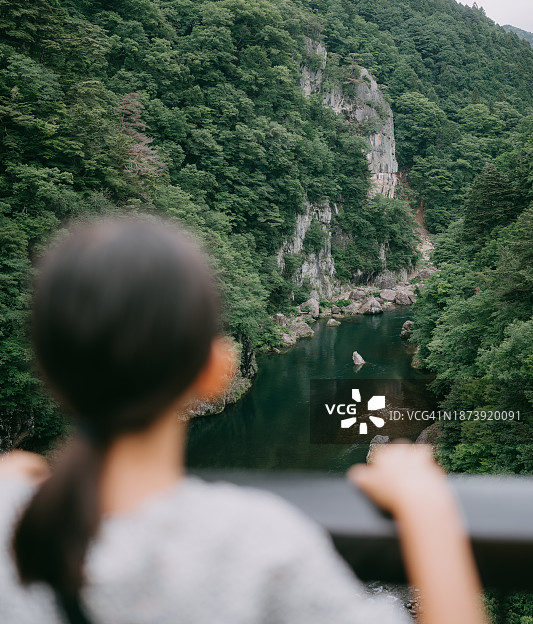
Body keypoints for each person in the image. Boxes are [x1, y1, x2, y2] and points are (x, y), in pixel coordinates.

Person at [0, 216, 487, 624]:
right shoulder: (257, 544)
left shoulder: (12, 513)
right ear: (215, 371)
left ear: (46, 367)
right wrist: (429, 508)